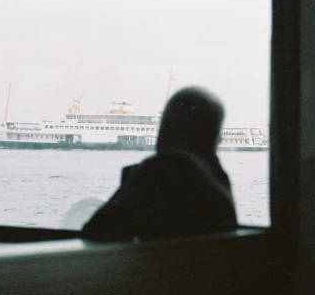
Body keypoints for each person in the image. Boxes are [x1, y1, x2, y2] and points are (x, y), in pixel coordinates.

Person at [81, 87, 237, 241]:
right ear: (216, 139)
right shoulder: (218, 178)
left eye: (164, 126)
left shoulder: (163, 170)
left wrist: (133, 177)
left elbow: (97, 230)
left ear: (170, 130)